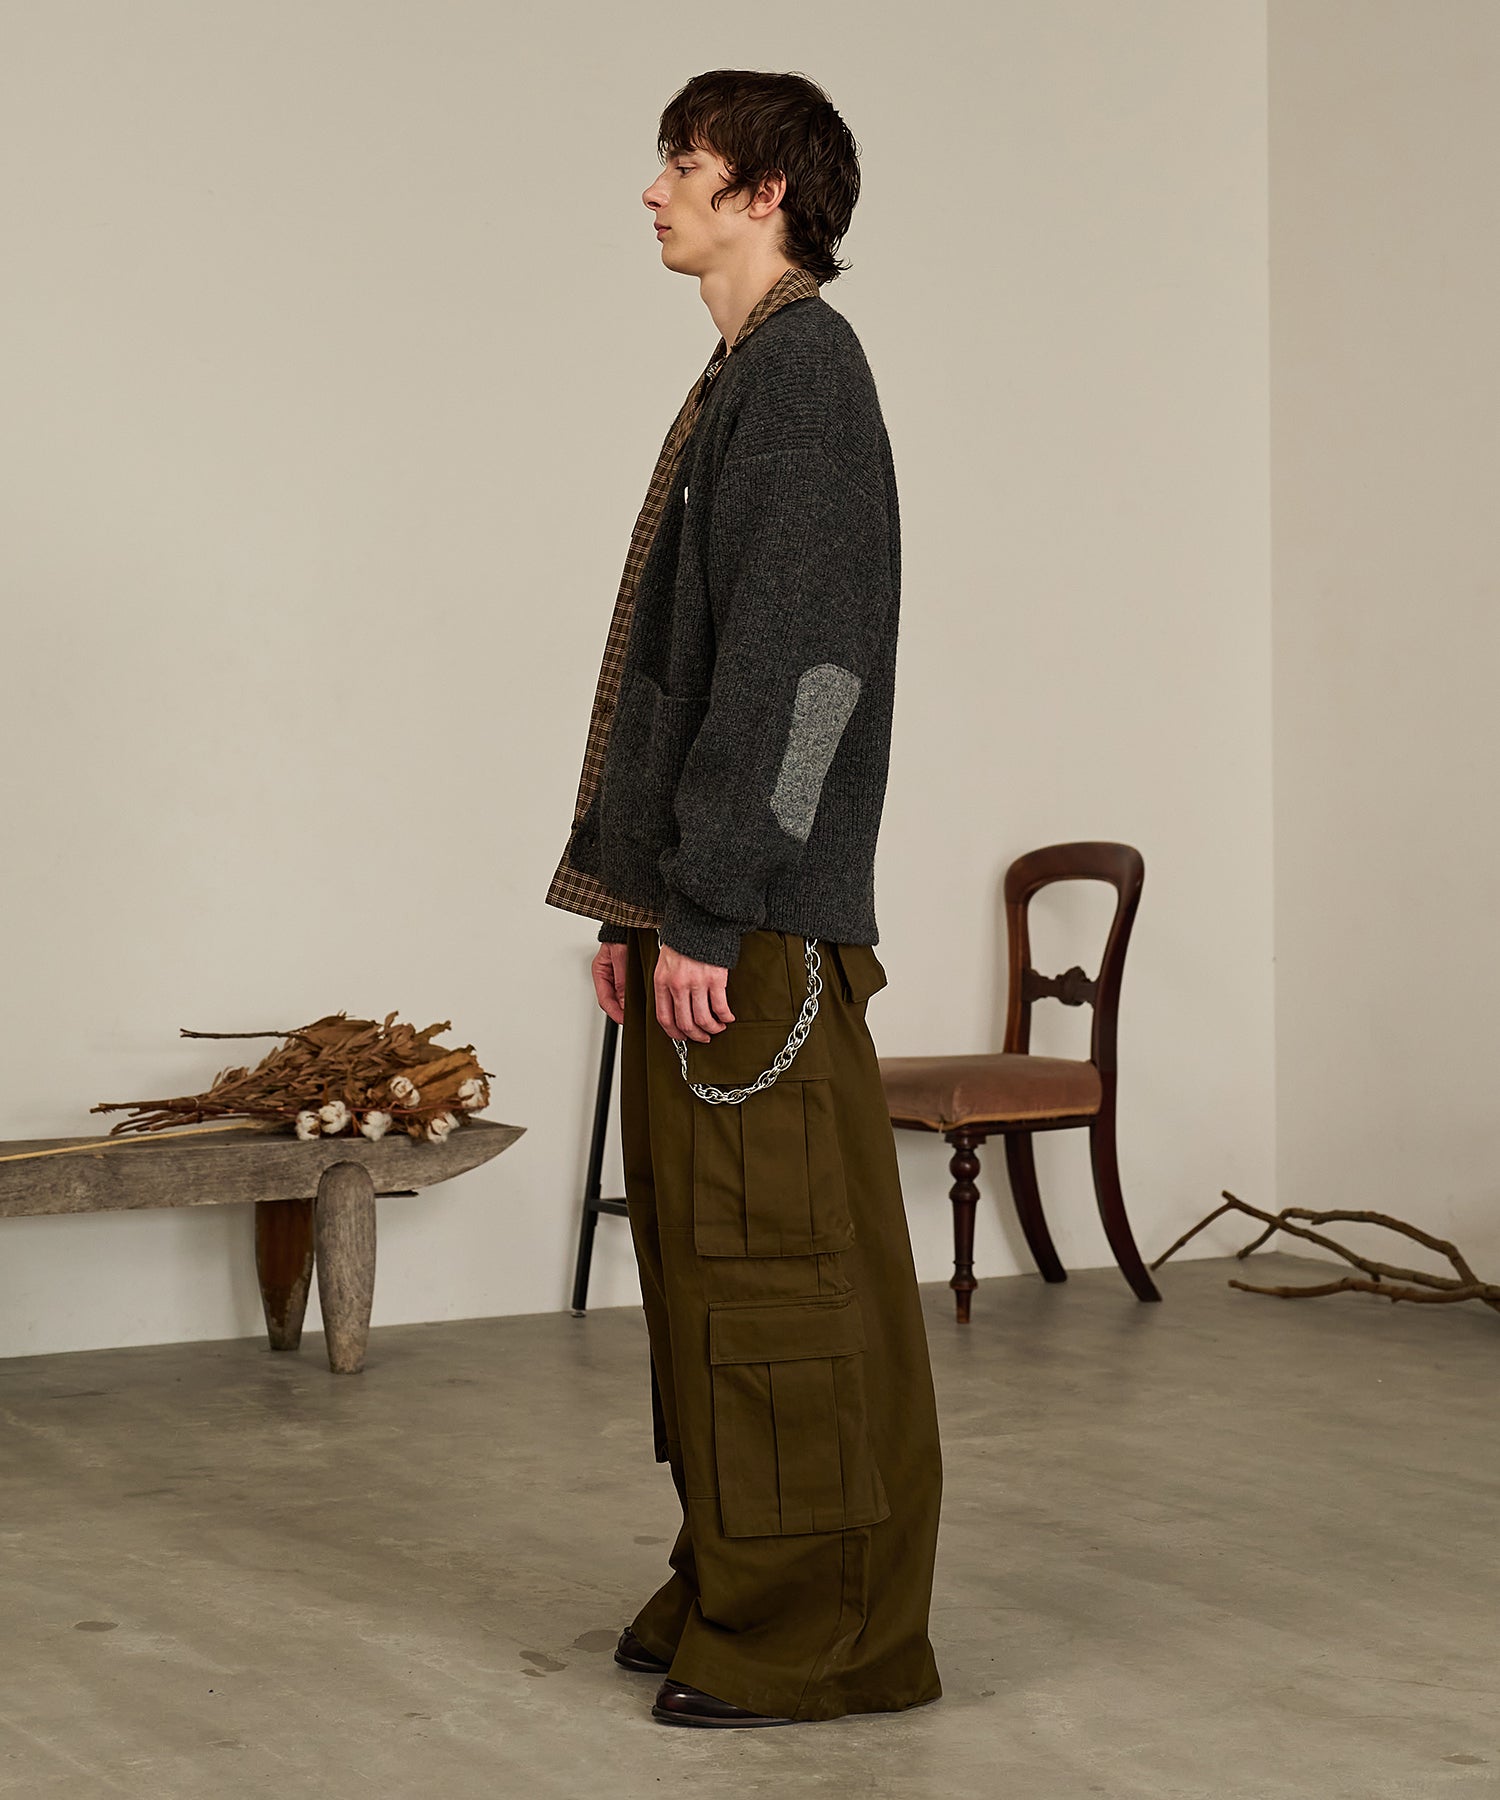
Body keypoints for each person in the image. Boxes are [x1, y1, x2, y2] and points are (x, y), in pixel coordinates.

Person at [544, 68, 942, 1728]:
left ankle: (824, 1629)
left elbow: (807, 683)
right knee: (715, 1278)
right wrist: (635, 904)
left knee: (785, 1280)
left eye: (683, 163)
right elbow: (697, 673)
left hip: (755, 926)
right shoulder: (745, 373)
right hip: (706, 914)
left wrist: (709, 907)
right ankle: (739, 1576)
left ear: (764, 191)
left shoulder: (802, 377)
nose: (654, 191)